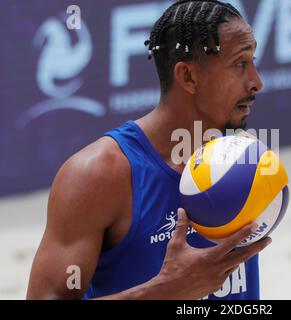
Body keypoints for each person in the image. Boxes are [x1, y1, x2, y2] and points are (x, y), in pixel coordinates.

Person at [27, 0, 269, 300]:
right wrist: (165, 291)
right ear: (188, 77)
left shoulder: (244, 160)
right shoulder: (98, 174)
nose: (257, 82)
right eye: (240, 63)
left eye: (253, 61)